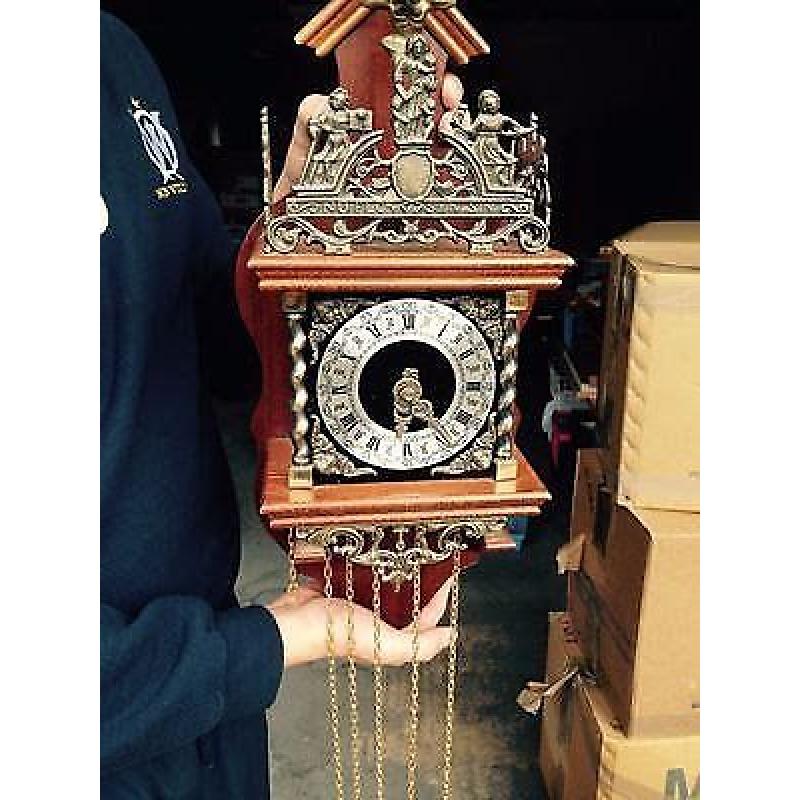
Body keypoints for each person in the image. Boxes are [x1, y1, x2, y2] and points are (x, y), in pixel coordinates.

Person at [100, 12, 464, 799]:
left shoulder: (111, 50)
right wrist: (259, 645)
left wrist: (297, 235)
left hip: (208, 706)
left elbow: (212, 320)